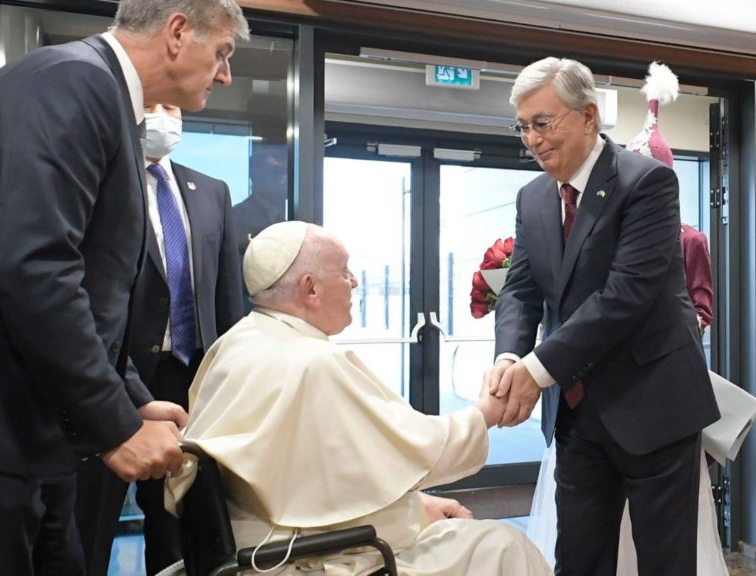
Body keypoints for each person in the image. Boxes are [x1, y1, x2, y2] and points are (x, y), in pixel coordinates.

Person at [0, 0, 249, 573]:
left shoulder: (104, 97)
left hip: (30, 425)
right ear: (178, 32)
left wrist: (133, 397)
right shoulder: (75, 82)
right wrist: (116, 427)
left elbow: (91, 296)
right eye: (222, 53)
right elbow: (37, 270)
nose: (225, 74)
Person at [165, 221, 552, 576]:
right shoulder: (312, 362)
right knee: (503, 547)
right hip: (301, 559)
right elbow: (419, 448)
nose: (355, 282)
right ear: (310, 288)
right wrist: (485, 412)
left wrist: (415, 507)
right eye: (345, 271)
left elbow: (313, 478)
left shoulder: (237, 342)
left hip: (256, 545)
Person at [489, 57, 720, 576]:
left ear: (589, 115)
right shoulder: (532, 198)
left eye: (543, 123)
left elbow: (625, 297)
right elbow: (522, 290)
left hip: (654, 405)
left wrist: (536, 369)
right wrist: (509, 355)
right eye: (523, 126)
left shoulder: (646, 184)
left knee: (664, 562)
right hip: (577, 413)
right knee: (579, 559)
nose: (532, 139)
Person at [74, 103, 245, 576]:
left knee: (180, 523)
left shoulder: (212, 192)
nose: (162, 115)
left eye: (172, 107)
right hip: (116, 375)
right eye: (150, 105)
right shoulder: (106, 183)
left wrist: (232, 373)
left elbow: (227, 293)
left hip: (193, 380)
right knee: (92, 514)